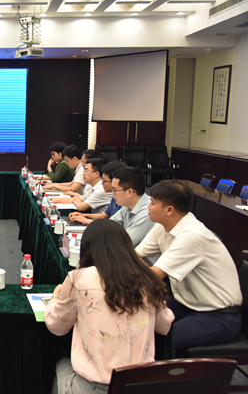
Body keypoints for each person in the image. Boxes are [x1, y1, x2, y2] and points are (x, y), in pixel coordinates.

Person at [45, 219, 174, 394]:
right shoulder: (148, 279)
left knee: (61, 364)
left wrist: (55, 297)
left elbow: (57, 326)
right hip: (139, 385)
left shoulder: (79, 278)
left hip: (94, 387)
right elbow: (164, 325)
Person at [136, 180, 242, 350]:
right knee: (135, 316)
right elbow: (135, 255)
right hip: (186, 303)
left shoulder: (192, 235)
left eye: (152, 203)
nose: (148, 206)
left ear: (169, 210)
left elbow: (154, 275)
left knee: (157, 341)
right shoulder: (162, 227)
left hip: (218, 316)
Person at [68, 160, 125, 225]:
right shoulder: (114, 197)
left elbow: (113, 225)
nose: (102, 183)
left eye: (105, 181)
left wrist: (86, 220)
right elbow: (103, 216)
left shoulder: (123, 202)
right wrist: (84, 215)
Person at [109, 167, 154, 246]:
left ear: (130, 192)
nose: (112, 193)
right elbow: (109, 226)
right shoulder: (127, 206)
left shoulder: (148, 211)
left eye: (115, 190)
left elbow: (126, 242)